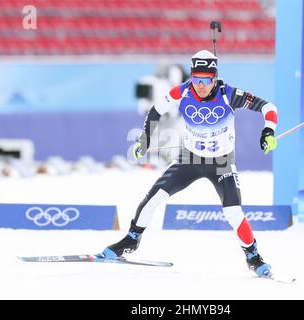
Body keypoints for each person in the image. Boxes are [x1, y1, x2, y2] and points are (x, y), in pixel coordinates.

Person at [99, 50, 278, 278]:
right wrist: (144, 139)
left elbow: (269, 107)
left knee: (233, 211)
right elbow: (155, 112)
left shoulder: (230, 94)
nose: (200, 86)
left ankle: (253, 256)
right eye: (196, 79)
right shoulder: (181, 92)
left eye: (205, 80)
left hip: (221, 161)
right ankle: (131, 240)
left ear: (214, 79)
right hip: (189, 158)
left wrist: (268, 131)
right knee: (153, 198)